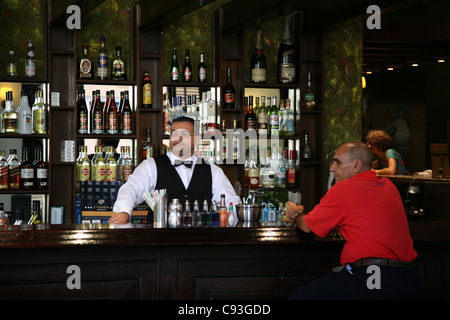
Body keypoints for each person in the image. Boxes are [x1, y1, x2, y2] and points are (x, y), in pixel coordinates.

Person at [285, 142, 421, 300]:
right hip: (408, 277)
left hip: (374, 277)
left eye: (338, 162)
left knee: (299, 298)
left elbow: (307, 226)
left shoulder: (343, 189)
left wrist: (296, 213)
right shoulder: (389, 185)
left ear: (356, 165)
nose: (332, 168)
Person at [109, 116, 240, 224]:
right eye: (174, 133)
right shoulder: (151, 165)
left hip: (201, 243)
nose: (178, 138)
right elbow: (131, 188)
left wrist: (231, 216)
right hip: (159, 244)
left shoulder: (213, 171)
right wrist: (124, 210)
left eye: (184, 134)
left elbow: (230, 202)